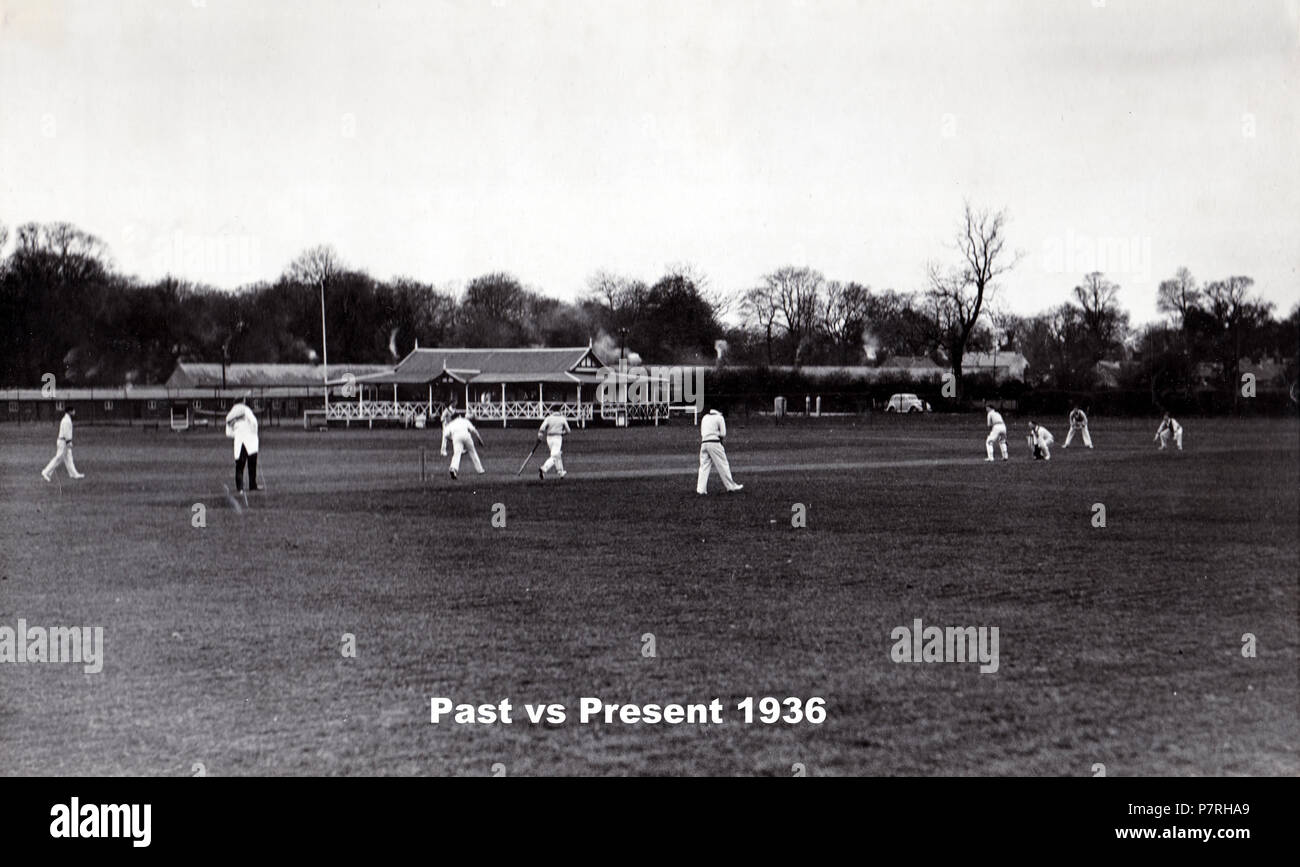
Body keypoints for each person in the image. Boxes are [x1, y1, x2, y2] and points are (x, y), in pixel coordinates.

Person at [697, 408, 743, 494]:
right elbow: (723, 434)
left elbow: (702, 432)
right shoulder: (719, 418)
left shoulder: (705, 417)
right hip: (714, 443)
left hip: (704, 443)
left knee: (704, 466)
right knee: (723, 465)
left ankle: (701, 489)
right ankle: (731, 486)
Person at [225, 395, 260, 492]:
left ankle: (239, 487)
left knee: (239, 466)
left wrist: (237, 434)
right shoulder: (246, 410)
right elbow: (254, 422)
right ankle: (252, 485)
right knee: (252, 464)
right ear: (242, 402)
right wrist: (253, 433)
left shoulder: (229, 415)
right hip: (250, 441)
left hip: (239, 442)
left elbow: (228, 433)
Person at [41, 407, 85, 481]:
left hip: (64, 441)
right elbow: (66, 432)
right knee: (58, 458)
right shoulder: (66, 421)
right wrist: (68, 442)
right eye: (73, 410)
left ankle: (74, 474)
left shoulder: (67, 419)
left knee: (69, 458)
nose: (74, 412)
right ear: (70, 412)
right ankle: (45, 472)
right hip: (63, 442)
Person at [441, 411, 485, 479]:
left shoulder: (451, 424)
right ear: (459, 416)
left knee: (457, 454)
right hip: (466, 436)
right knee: (472, 452)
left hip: (456, 437)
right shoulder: (465, 420)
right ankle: (480, 470)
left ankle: (453, 468)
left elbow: (445, 435)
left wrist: (452, 439)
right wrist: (479, 439)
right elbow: (474, 430)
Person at [537, 410, 571, 480]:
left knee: (557, 454)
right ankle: (544, 468)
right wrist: (562, 433)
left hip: (549, 438)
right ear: (560, 411)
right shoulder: (562, 418)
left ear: (552, 411)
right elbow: (568, 431)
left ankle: (561, 472)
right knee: (555, 456)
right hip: (557, 438)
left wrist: (540, 436)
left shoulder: (548, 418)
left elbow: (542, 428)